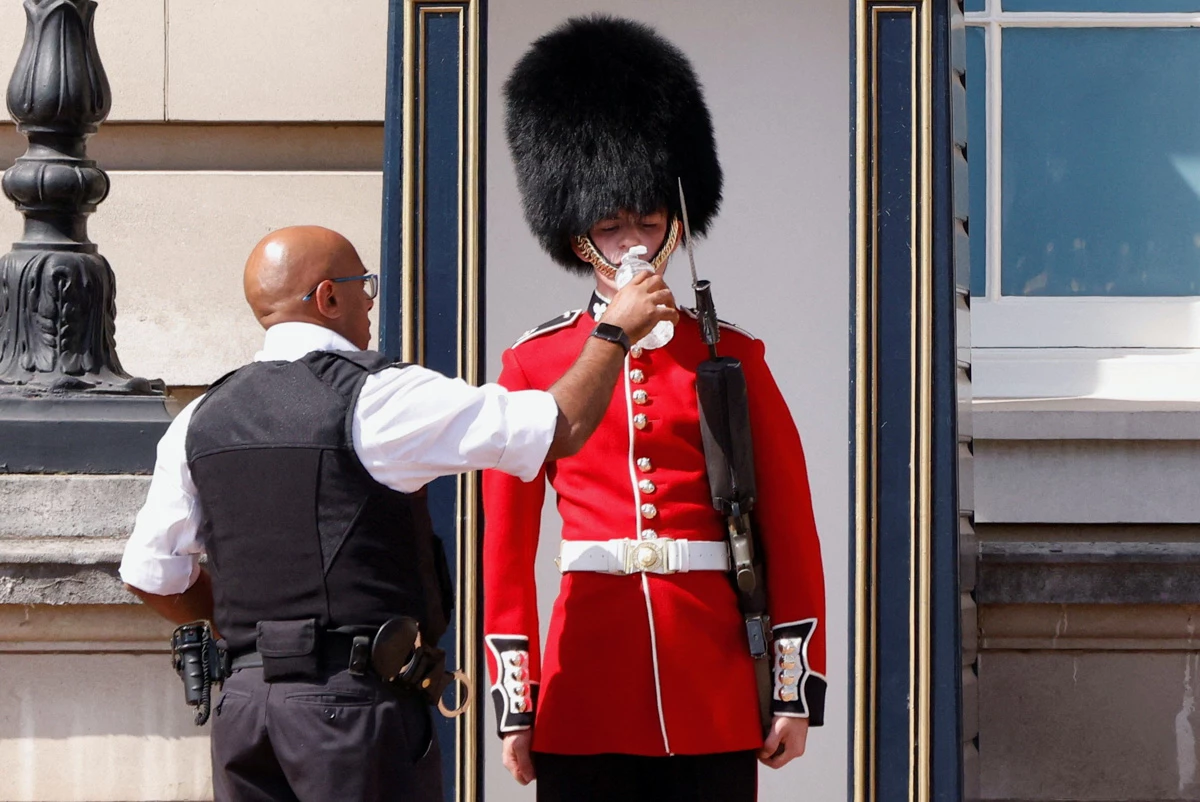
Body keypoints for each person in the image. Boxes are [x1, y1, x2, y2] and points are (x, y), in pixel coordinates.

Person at [118, 224, 677, 802]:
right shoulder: (377, 397)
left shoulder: (199, 417)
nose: (369, 304)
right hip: (351, 711)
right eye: (365, 287)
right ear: (330, 297)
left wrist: (251, 637)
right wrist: (614, 329)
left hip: (244, 712)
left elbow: (151, 574)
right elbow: (561, 426)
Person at [482, 16, 827, 802]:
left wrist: (792, 688)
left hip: (708, 676)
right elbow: (506, 549)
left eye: (648, 219)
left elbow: (791, 528)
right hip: (586, 676)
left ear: (675, 225)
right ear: (582, 244)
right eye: (612, 225)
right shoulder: (534, 363)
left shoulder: (732, 355)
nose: (634, 241)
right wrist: (516, 703)